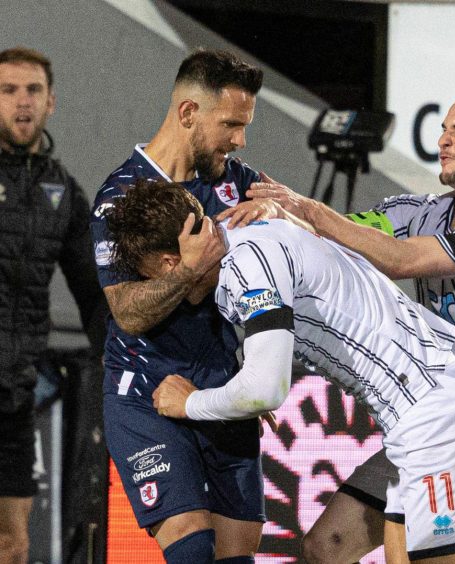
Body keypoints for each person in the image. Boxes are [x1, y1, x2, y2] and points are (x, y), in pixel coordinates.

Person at [107, 177, 455, 563]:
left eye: (155, 277)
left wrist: (191, 403)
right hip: (429, 414)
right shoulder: (259, 231)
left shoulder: (246, 264)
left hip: (441, 421)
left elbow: (266, 389)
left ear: (167, 261)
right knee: (326, 548)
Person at [247, 84, 455, 562]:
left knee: (420, 557)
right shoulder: (420, 212)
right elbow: (342, 238)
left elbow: (404, 259)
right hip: (434, 419)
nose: (444, 139)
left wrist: (313, 212)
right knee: (328, 545)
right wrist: (278, 216)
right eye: (445, 127)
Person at [90, 50, 279, 563]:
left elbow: (292, 261)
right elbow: (128, 313)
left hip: (221, 394)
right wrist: (191, 268)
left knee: (235, 557)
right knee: (193, 549)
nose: (240, 139)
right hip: (146, 397)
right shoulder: (120, 198)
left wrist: (283, 213)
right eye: (231, 125)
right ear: (189, 113)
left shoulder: (238, 183)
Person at [0, 47, 107, 563]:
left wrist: (128, 363)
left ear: (51, 102)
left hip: (14, 398)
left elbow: (94, 295)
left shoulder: (63, 192)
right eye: (8, 91)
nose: (22, 102)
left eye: (33, 91)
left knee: (13, 546)